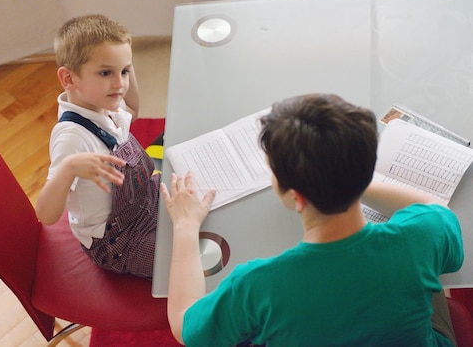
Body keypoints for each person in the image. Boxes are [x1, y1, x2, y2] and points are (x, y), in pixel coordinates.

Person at [160, 93, 464, 346]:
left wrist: (186, 227)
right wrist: (348, 177)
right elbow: (438, 212)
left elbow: (185, 327)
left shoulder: (258, 286)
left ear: (295, 196)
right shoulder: (424, 235)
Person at [35, 14, 159, 278]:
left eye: (124, 72)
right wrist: (68, 169)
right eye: (106, 72)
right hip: (118, 241)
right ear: (68, 79)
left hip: (146, 198)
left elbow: (133, 109)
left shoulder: (105, 106)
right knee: (185, 258)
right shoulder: (72, 138)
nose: (120, 84)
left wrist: (125, 58)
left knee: (204, 201)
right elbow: (45, 215)